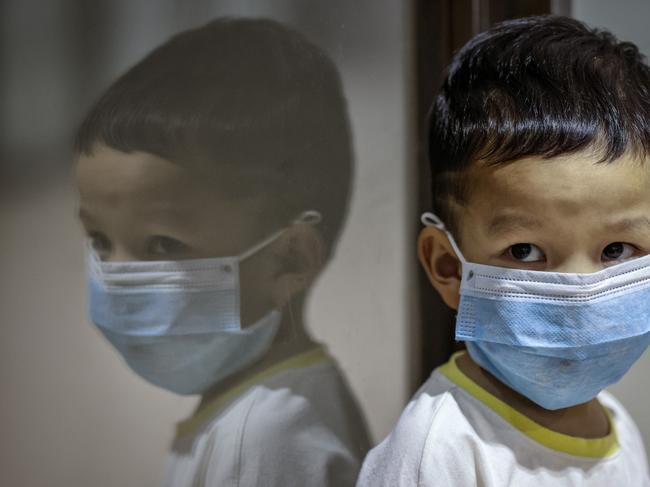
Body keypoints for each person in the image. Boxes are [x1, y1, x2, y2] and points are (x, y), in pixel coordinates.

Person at [74, 18, 370, 487]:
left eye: (164, 244)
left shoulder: (262, 444)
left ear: (289, 259)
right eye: (100, 241)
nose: (116, 277)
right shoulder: (276, 407)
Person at [357, 15, 650, 486]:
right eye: (525, 251)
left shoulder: (615, 421)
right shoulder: (436, 451)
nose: (579, 297)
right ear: (449, 268)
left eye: (616, 248)